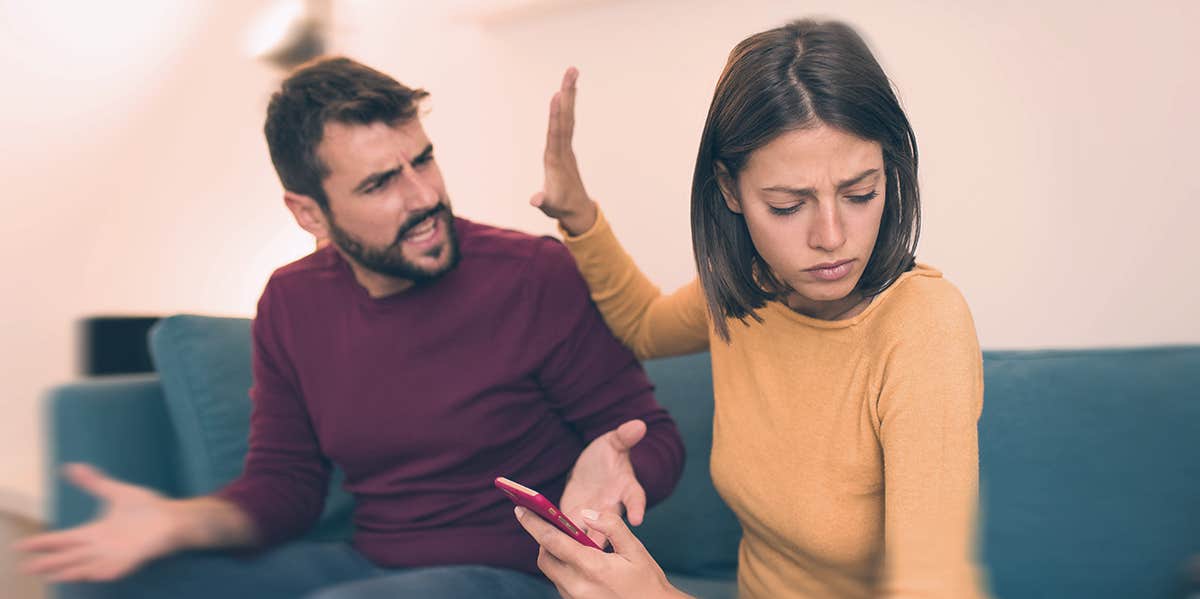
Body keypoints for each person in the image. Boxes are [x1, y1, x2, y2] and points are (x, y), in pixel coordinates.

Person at [17, 57, 685, 599]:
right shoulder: (290, 301)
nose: (423, 197)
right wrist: (177, 521)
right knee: (124, 586)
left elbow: (652, 436)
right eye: (380, 184)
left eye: (423, 160)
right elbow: (284, 488)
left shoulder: (530, 273)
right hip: (371, 563)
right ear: (308, 213)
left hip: (520, 573)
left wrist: (614, 470)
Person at [516, 19, 989, 599]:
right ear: (730, 191)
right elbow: (644, 326)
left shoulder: (923, 327)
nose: (832, 236)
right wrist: (578, 214)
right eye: (789, 206)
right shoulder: (755, 291)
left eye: (860, 193)